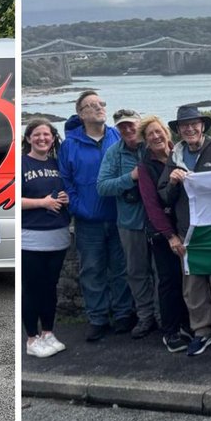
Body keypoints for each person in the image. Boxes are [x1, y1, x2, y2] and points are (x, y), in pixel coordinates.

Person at [159, 104, 211, 356]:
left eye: (194, 124)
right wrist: (171, 182)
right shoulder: (175, 156)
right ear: (178, 130)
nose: (189, 129)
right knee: (192, 285)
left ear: (203, 126)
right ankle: (201, 330)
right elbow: (165, 198)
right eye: (184, 126)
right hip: (187, 230)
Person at [59, 88, 134, 340]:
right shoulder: (70, 145)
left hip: (118, 216)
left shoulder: (118, 137)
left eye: (101, 103)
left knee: (121, 268)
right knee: (91, 270)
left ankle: (124, 314)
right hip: (87, 219)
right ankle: (98, 318)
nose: (100, 107)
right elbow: (66, 181)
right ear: (81, 114)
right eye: (92, 105)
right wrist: (78, 207)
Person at [98, 107, 157, 339]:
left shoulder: (154, 146)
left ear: (140, 124)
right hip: (130, 222)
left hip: (158, 220)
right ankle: (145, 316)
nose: (129, 129)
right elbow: (102, 186)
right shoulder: (114, 153)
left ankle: (165, 316)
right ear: (118, 129)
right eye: (123, 126)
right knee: (136, 272)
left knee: (162, 272)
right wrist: (130, 178)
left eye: (132, 124)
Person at [135, 114, 191, 353]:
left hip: (188, 226)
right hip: (164, 232)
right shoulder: (145, 167)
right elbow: (151, 205)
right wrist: (170, 236)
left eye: (159, 132)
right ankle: (170, 331)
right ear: (146, 141)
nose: (156, 136)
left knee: (190, 280)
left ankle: (189, 324)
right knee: (168, 280)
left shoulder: (181, 156)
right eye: (150, 135)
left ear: (167, 134)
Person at [20, 118, 70, 358]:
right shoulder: (22, 163)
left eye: (47, 135)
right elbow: (13, 201)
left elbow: (69, 190)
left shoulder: (58, 163)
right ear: (29, 138)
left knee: (50, 288)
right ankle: (31, 338)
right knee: (31, 288)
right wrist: (43, 203)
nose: (42, 138)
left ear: (53, 138)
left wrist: (67, 199)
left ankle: (48, 333)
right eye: (37, 134)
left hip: (58, 235)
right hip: (31, 237)